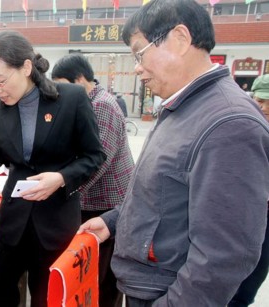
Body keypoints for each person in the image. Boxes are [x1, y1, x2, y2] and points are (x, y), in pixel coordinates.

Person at [77, 0, 269, 306]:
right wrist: (113, 221)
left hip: (170, 293)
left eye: (139, 53)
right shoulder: (185, 105)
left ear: (180, 39)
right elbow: (163, 193)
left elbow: (222, 256)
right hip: (152, 282)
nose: (137, 67)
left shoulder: (229, 124)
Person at [0, 30, 106, 306]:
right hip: (12, 220)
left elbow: (94, 156)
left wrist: (61, 178)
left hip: (56, 220)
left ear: (26, 68)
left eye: (0, 80)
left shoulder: (71, 99)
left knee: (47, 297)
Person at [52, 53, 134, 307]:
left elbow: (97, 162)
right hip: (93, 198)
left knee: (104, 270)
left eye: (64, 85)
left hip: (106, 201)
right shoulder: (88, 102)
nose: (61, 92)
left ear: (79, 79)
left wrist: (62, 190)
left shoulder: (101, 106)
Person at [228, 74, 269, 307]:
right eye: (259, 100)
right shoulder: (247, 122)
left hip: (265, 212)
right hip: (243, 210)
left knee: (255, 273)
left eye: (267, 101)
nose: (262, 106)